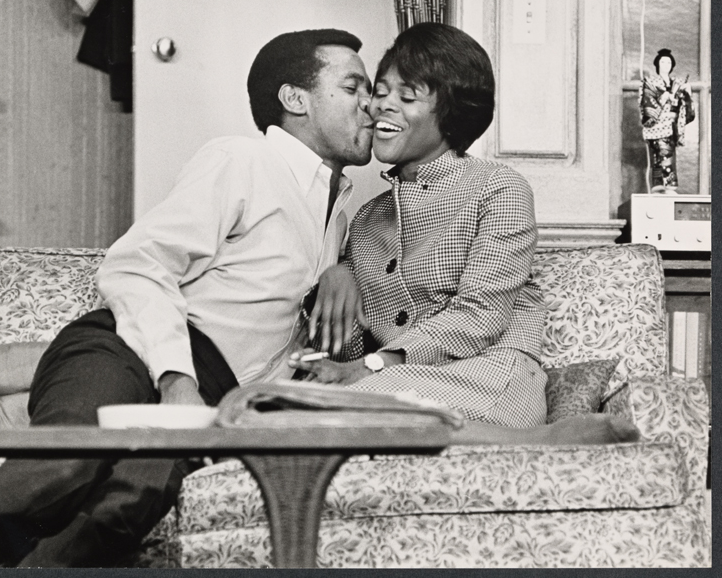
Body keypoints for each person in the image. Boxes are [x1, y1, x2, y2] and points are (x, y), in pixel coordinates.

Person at [0, 28, 374, 568]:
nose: (371, 105)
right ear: (295, 99)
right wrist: (176, 381)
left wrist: (343, 269)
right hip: (128, 349)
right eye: (353, 87)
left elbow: (275, 333)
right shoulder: (241, 160)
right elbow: (137, 263)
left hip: (215, 393)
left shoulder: (339, 215)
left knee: (131, 501)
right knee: (66, 464)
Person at [289, 22, 641, 446]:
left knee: (326, 414)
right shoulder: (365, 220)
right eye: (380, 92)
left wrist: (374, 367)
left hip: (487, 373)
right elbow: (352, 351)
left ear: (450, 113)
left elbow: (480, 316)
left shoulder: (499, 188)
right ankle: (534, 444)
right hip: (398, 384)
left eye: (407, 96)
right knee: (288, 410)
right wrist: (338, 276)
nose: (383, 106)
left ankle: (529, 440)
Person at [639, 48, 695, 193]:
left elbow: (686, 109)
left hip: (672, 126)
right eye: (663, 61)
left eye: (669, 62)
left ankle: (660, 186)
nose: (666, 64)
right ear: (657, 64)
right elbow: (647, 105)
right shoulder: (650, 83)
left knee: (666, 155)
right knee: (663, 154)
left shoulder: (676, 83)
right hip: (658, 125)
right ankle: (667, 186)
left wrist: (687, 94)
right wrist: (664, 97)